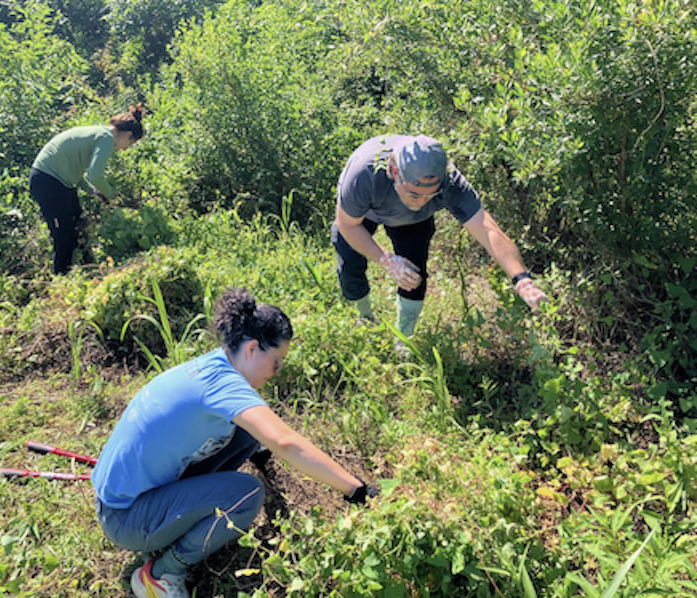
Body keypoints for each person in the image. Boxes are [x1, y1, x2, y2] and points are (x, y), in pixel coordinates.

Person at [91, 287, 378, 598]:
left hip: (123, 497)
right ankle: (163, 574)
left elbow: (263, 434)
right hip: (126, 518)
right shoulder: (224, 386)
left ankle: (179, 521)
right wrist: (355, 489)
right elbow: (285, 440)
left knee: (247, 434)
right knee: (247, 494)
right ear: (253, 348)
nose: (277, 372)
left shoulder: (215, 365)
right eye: (277, 361)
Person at [331, 134, 548, 344]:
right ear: (395, 172)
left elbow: (487, 228)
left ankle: (404, 340)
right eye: (415, 194)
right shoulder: (364, 174)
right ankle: (366, 317)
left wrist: (522, 280)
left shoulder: (450, 182)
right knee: (350, 261)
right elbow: (348, 225)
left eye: (431, 195)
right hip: (363, 214)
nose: (422, 202)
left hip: (412, 222)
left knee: (413, 275)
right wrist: (385, 259)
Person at [28, 103, 145, 274]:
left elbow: (75, 170)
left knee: (79, 227)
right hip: (48, 182)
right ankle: (61, 282)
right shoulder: (106, 138)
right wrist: (111, 195)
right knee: (64, 236)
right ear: (127, 134)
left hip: (59, 182)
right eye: (130, 143)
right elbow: (95, 175)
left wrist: (93, 191)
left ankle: (89, 269)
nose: (125, 148)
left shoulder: (99, 132)